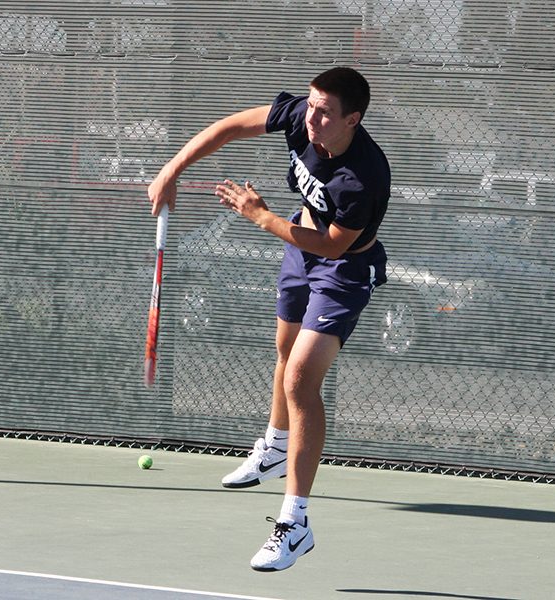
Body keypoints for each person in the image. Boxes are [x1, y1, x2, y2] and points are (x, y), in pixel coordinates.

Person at [147, 67, 390, 572]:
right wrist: (172, 169)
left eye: (325, 112)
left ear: (353, 119)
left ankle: (295, 523)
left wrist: (260, 216)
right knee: (283, 353)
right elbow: (230, 127)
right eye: (311, 103)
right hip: (298, 250)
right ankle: (275, 448)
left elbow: (332, 245)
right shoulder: (302, 117)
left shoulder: (362, 176)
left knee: (301, 379)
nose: (312, 116)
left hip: (343, 269)